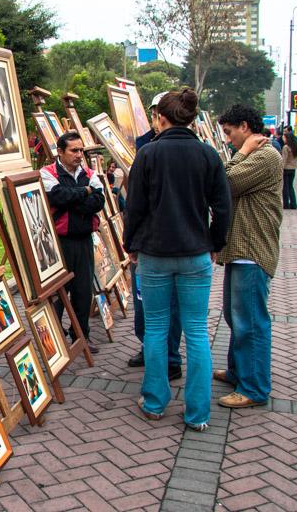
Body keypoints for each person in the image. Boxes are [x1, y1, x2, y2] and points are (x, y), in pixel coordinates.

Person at [123, 88, 231, 431]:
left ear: (160, 118)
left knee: (156, 328)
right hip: (196, 252)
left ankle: (155, 402)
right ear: (193, 119)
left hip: (154, 254)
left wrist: (130, 245)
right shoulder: (208, 155)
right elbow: (223, 207)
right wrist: (215, 242)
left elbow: (135, 207)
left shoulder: (149, 155)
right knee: (196, 331)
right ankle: (197, 413)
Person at [215, 104, 283, 408]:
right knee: (235, 316)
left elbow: (224, 184)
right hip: (241, 250)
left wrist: (240, 155)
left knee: (250, 321)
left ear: (244, 127)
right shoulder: (254, 155)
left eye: (230, 133)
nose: (228, 140)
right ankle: (238, 371)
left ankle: (253, 387)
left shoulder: (265, 156)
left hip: (252, 250)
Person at [127, 92, 183, 382]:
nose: (155, 118)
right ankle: (149, 349)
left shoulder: (187, 145)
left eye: (158, 113)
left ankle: (168, 361)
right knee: (142, 304)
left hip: (164, 243)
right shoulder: (145, 144)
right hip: (153, 239)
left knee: (167, 311)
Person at [41, 131, 106, 354]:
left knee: (83, 291)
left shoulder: (89, 173)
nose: (80, 155)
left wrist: (75, 198)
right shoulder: (48, 173)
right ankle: (56, 338)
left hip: (84, 240)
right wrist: (84, 193)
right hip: (59, 242)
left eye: (81, 150)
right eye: (74, 150)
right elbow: (57, 196)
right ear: (60, 152)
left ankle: (81, 336)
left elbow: (98, 201)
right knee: (58, 291)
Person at [281, 131, 297, 210]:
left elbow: (283, 160)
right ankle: (293, 203)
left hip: (286, 169)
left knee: (285, 187)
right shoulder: (295, 147)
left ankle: (286, 204)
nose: (283, 139)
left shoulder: (286, 147)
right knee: (291, 186)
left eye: (284, 137)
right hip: (293, 168)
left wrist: (280, 168)